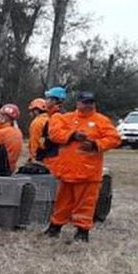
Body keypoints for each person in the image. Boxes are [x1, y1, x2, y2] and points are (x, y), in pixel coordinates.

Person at [43, 91, 120, 242]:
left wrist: (95, 144)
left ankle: (82, 231)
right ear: (78, 103)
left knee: (85, 204)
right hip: (67, 170)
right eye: (84, 102)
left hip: (88, 172)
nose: (87, 105)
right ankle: (55, 227)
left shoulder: (101, 120)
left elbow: (114, 139)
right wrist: (72, 135)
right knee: (62, 202)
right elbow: (54, 134)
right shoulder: (67, 118)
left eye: (90, 102)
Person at [35, 87, 68, 170]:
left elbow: (54, 139)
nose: (45, 101)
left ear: (54, 101)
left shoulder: (57, 117)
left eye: (48, 99)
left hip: (53, 159)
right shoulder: (58, 116)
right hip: (53, 157)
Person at [0, 103, 23, 175]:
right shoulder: (18, 132)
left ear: (4, 117)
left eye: (0, 115)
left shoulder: (1, 132)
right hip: (12, 168)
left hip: (0, 168)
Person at [26, 97, 49, 162]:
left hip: (39, 156)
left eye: (32, 110)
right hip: (50, 154)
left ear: (36, 110)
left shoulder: (36, 122)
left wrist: (33, 157)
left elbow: (34, 140)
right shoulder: (51, 118)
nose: (31, 113)